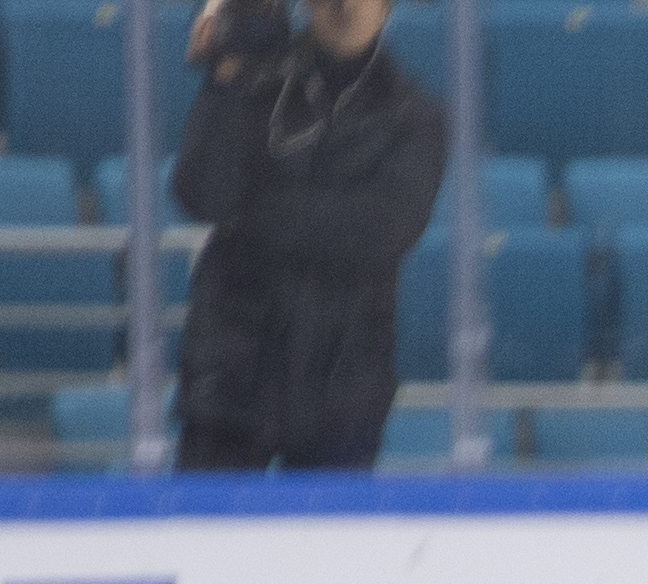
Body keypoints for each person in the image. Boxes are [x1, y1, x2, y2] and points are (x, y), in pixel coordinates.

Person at [172, 0, 447, 472]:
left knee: (332, 543)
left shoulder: (414, 114)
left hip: (344, 383)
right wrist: (227, 75)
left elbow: (382, 232)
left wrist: (255, 215)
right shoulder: (251, 79)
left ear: (386, 8)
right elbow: (202, 195)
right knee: (206, 539)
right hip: (231, 375)